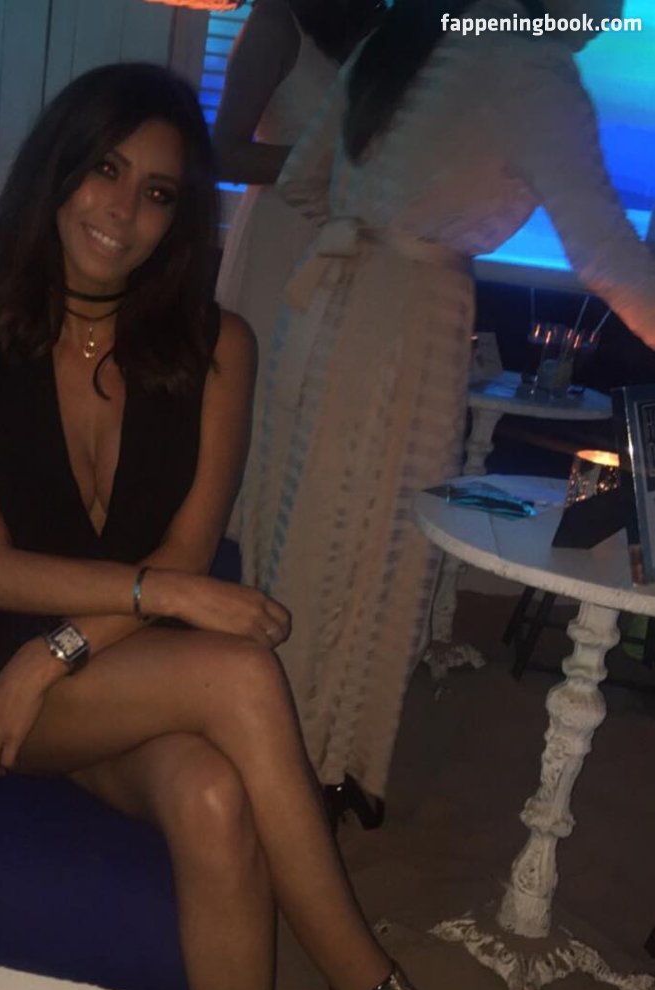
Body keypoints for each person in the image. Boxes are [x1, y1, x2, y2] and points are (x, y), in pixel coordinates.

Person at [0, 62, 556, 990]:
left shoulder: (218, 348)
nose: (122, 209)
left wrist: (65, 649)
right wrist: (91, 631)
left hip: (92, 667)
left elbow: (185, 550)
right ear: (57, 171)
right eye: (104, 170)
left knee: (213, 797)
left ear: (178, 219)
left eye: (156, 192)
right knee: (242, 676)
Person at [239, 0, 655, 828]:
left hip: (324, 308)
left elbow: (300, 181)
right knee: (366, 553)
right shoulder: (526, 64)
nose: (610, 17)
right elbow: (606, 253)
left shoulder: (410, 33)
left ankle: (282, 746)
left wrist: (374, 236)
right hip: (402, 326)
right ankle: (307, 772)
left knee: (301, 534)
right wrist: (415, 257)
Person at [214, 0, 382, 540]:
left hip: (360, 249)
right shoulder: (276, 21)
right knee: (264, 398)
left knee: (333, 415)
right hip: (281, 241)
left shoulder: (389, 30)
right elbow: (222, 152)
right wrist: (331, 168)